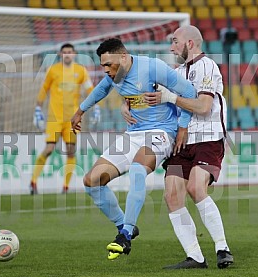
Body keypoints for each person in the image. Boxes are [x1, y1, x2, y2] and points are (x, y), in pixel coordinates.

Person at [71, 38, 197, 260]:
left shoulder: (152, 67)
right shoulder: (114, 76)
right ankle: (123, 225)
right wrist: (81, 111)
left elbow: (189, 92)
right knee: (92, 181)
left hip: (161, 133)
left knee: (138, 170)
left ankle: (126, 234)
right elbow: (102, 89)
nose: (107, 71)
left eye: (109, 65)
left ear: (123, 57)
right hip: (133, 133)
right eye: (103, 66)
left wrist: (183, 127)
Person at [123, 25, 233, 269]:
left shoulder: (207, 66)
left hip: (207, 139)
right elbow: (149, 94)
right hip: (180, 142)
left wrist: (171, 98)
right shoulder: (176, 72)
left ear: (190, 44)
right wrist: (127, 104)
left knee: (196, 187)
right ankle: (195, 256)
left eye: (175, 41)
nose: (171, 46)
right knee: (172, 196)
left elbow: (204, 107)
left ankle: (222, 248)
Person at [31, 43, 94, 195]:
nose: (67, 54)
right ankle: (33, 182)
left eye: (69, 52)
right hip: (54, 117)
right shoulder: (53, 70)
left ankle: (65, 187)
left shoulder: (81, 71)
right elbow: (44, 90)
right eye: (64, 52)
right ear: (60, 54)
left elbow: (90, 89)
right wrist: (38, 108)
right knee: (49, 149)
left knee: (71, 151)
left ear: (74, 54)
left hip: (72, 119)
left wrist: (96, 107)